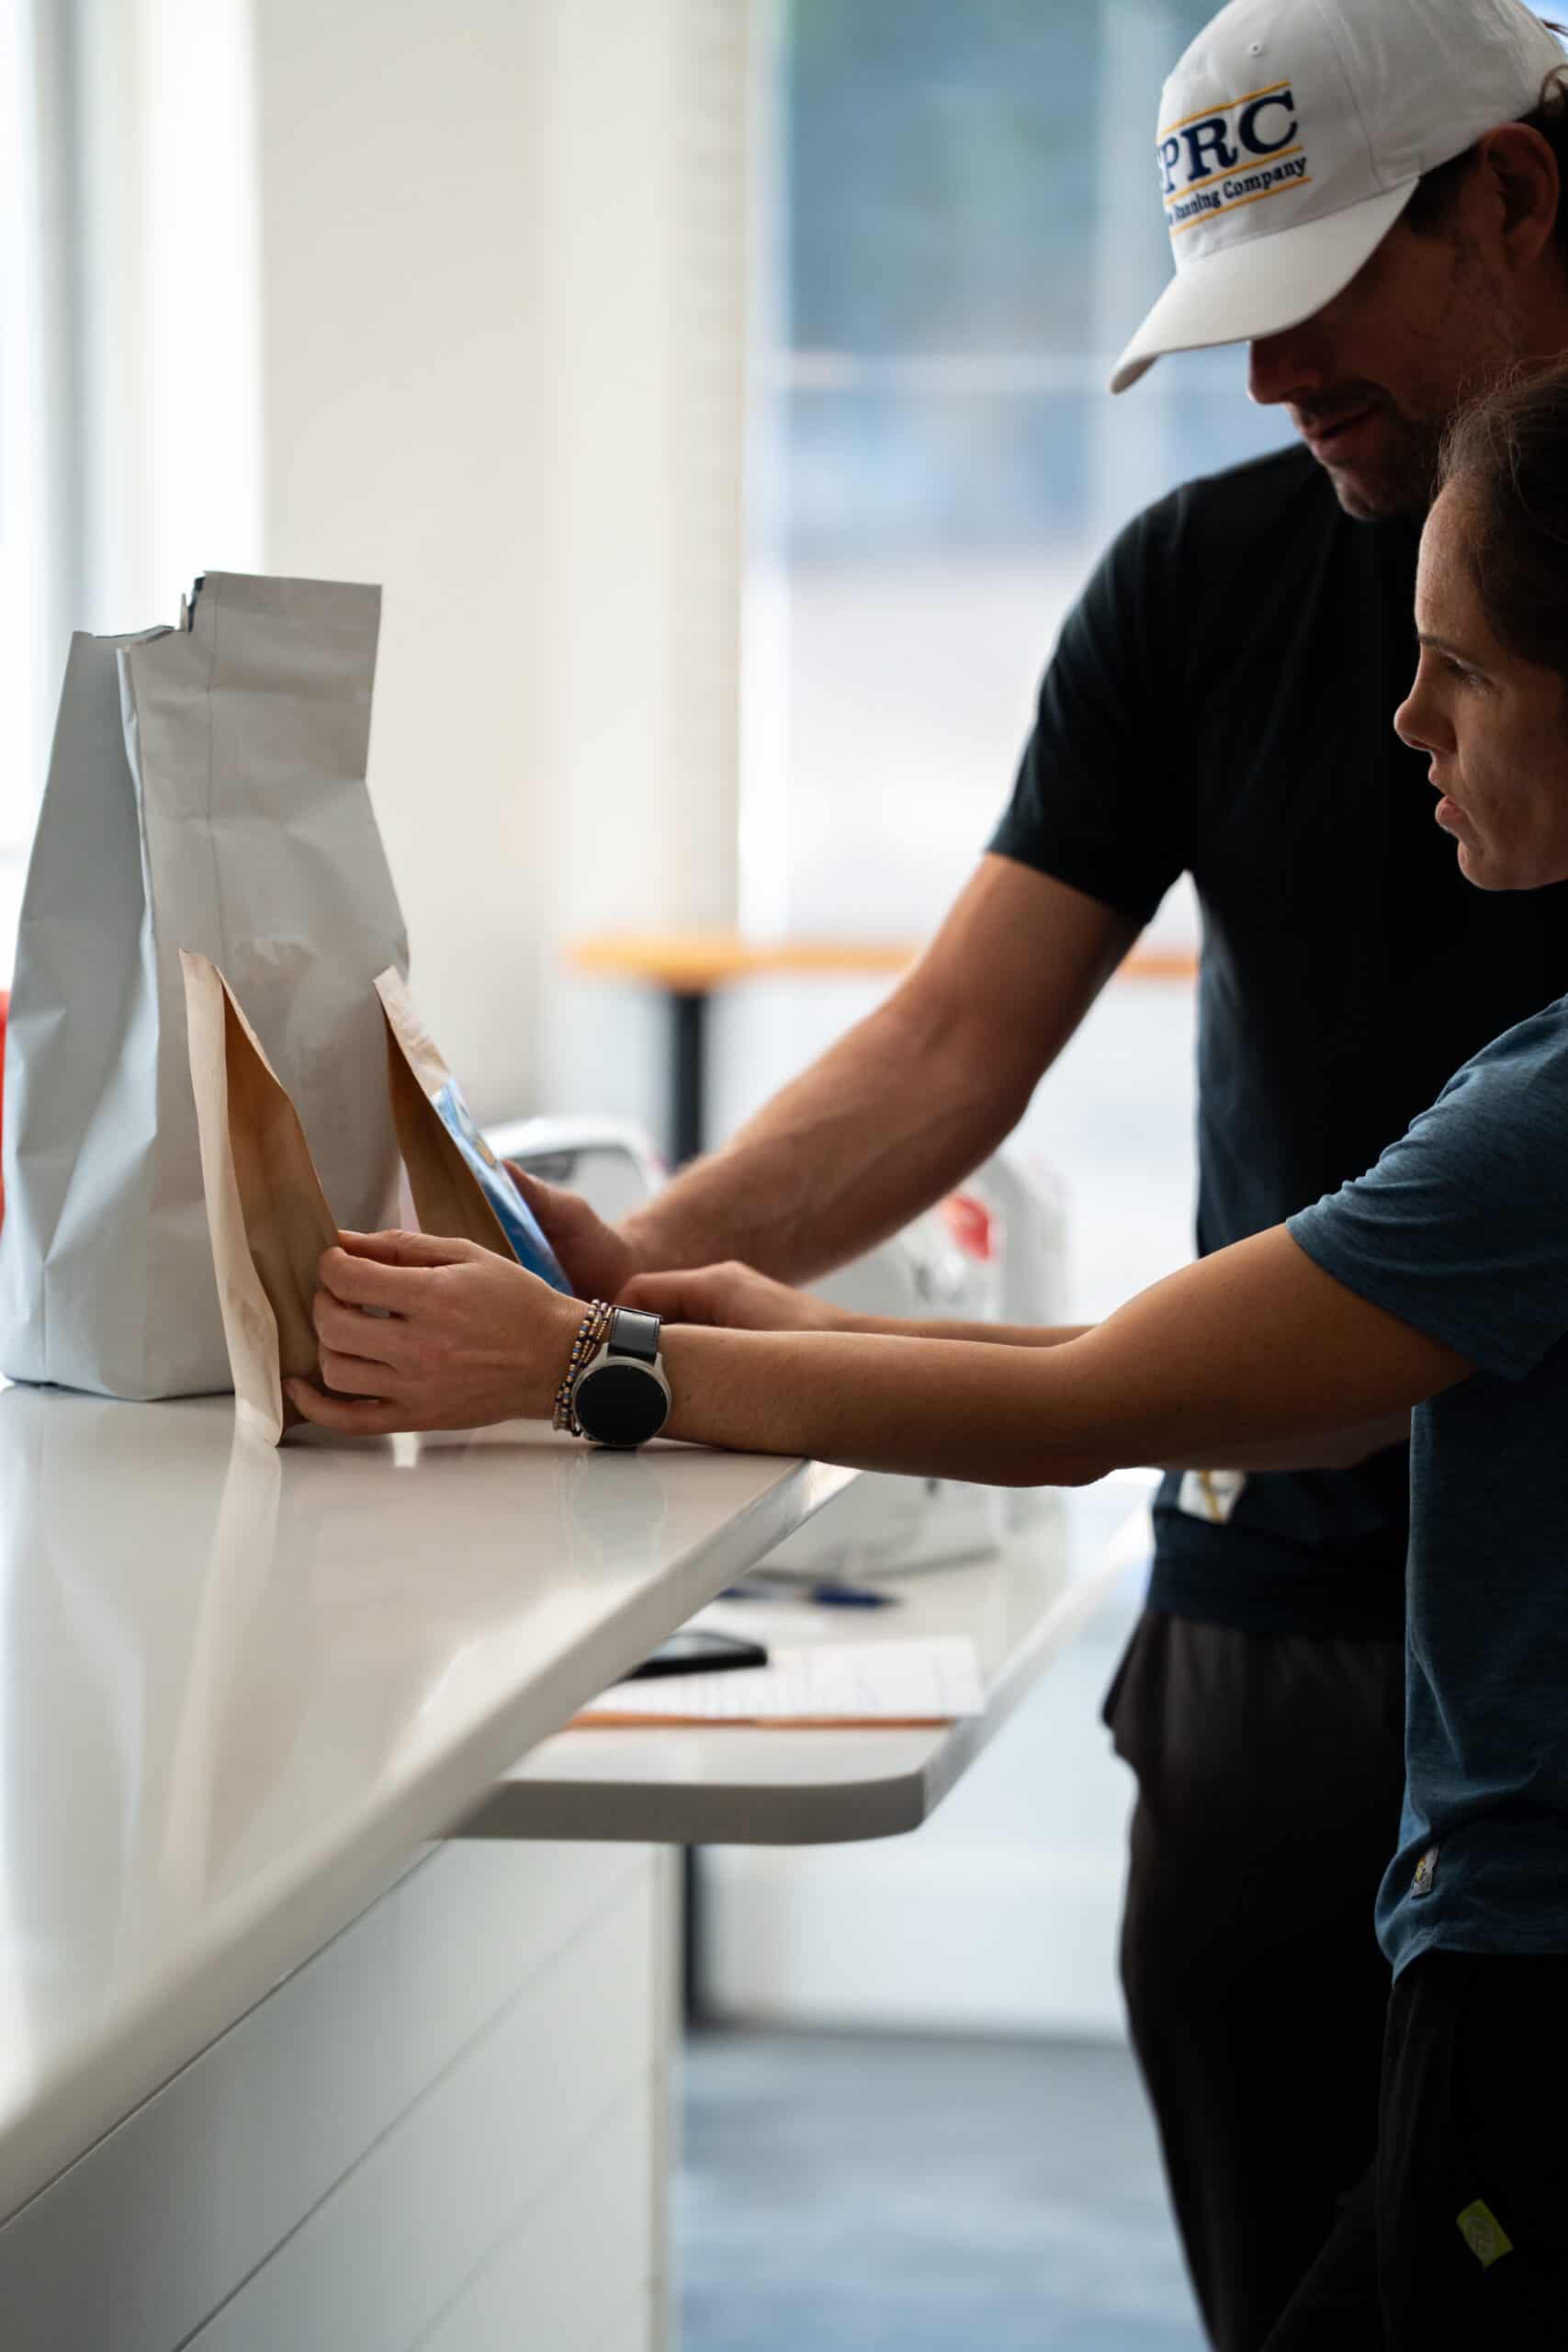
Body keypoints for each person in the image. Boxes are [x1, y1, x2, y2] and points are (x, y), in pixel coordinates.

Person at [316, 3, 1568, 2343]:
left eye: (1316, 288)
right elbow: (958, 1064)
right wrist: (622, 1275)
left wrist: (598, 1356)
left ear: (1504, 196)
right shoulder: (1199, 584)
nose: (1265, 377)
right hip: (1286, 1599)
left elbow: (1091, 1395)